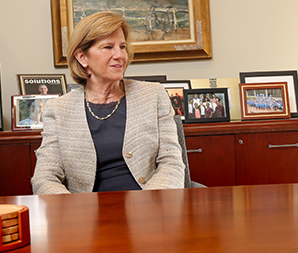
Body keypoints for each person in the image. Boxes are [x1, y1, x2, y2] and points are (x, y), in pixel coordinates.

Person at [32, 11, 184, 193]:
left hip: (149, 209)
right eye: (108, 47)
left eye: (122, 46)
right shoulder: (59, 109)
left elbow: (171, 163)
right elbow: (45, 177)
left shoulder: (153, 95)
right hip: (86, 215)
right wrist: (73, 210)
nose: (120, 55)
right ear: (82, 57)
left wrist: (149, 202)